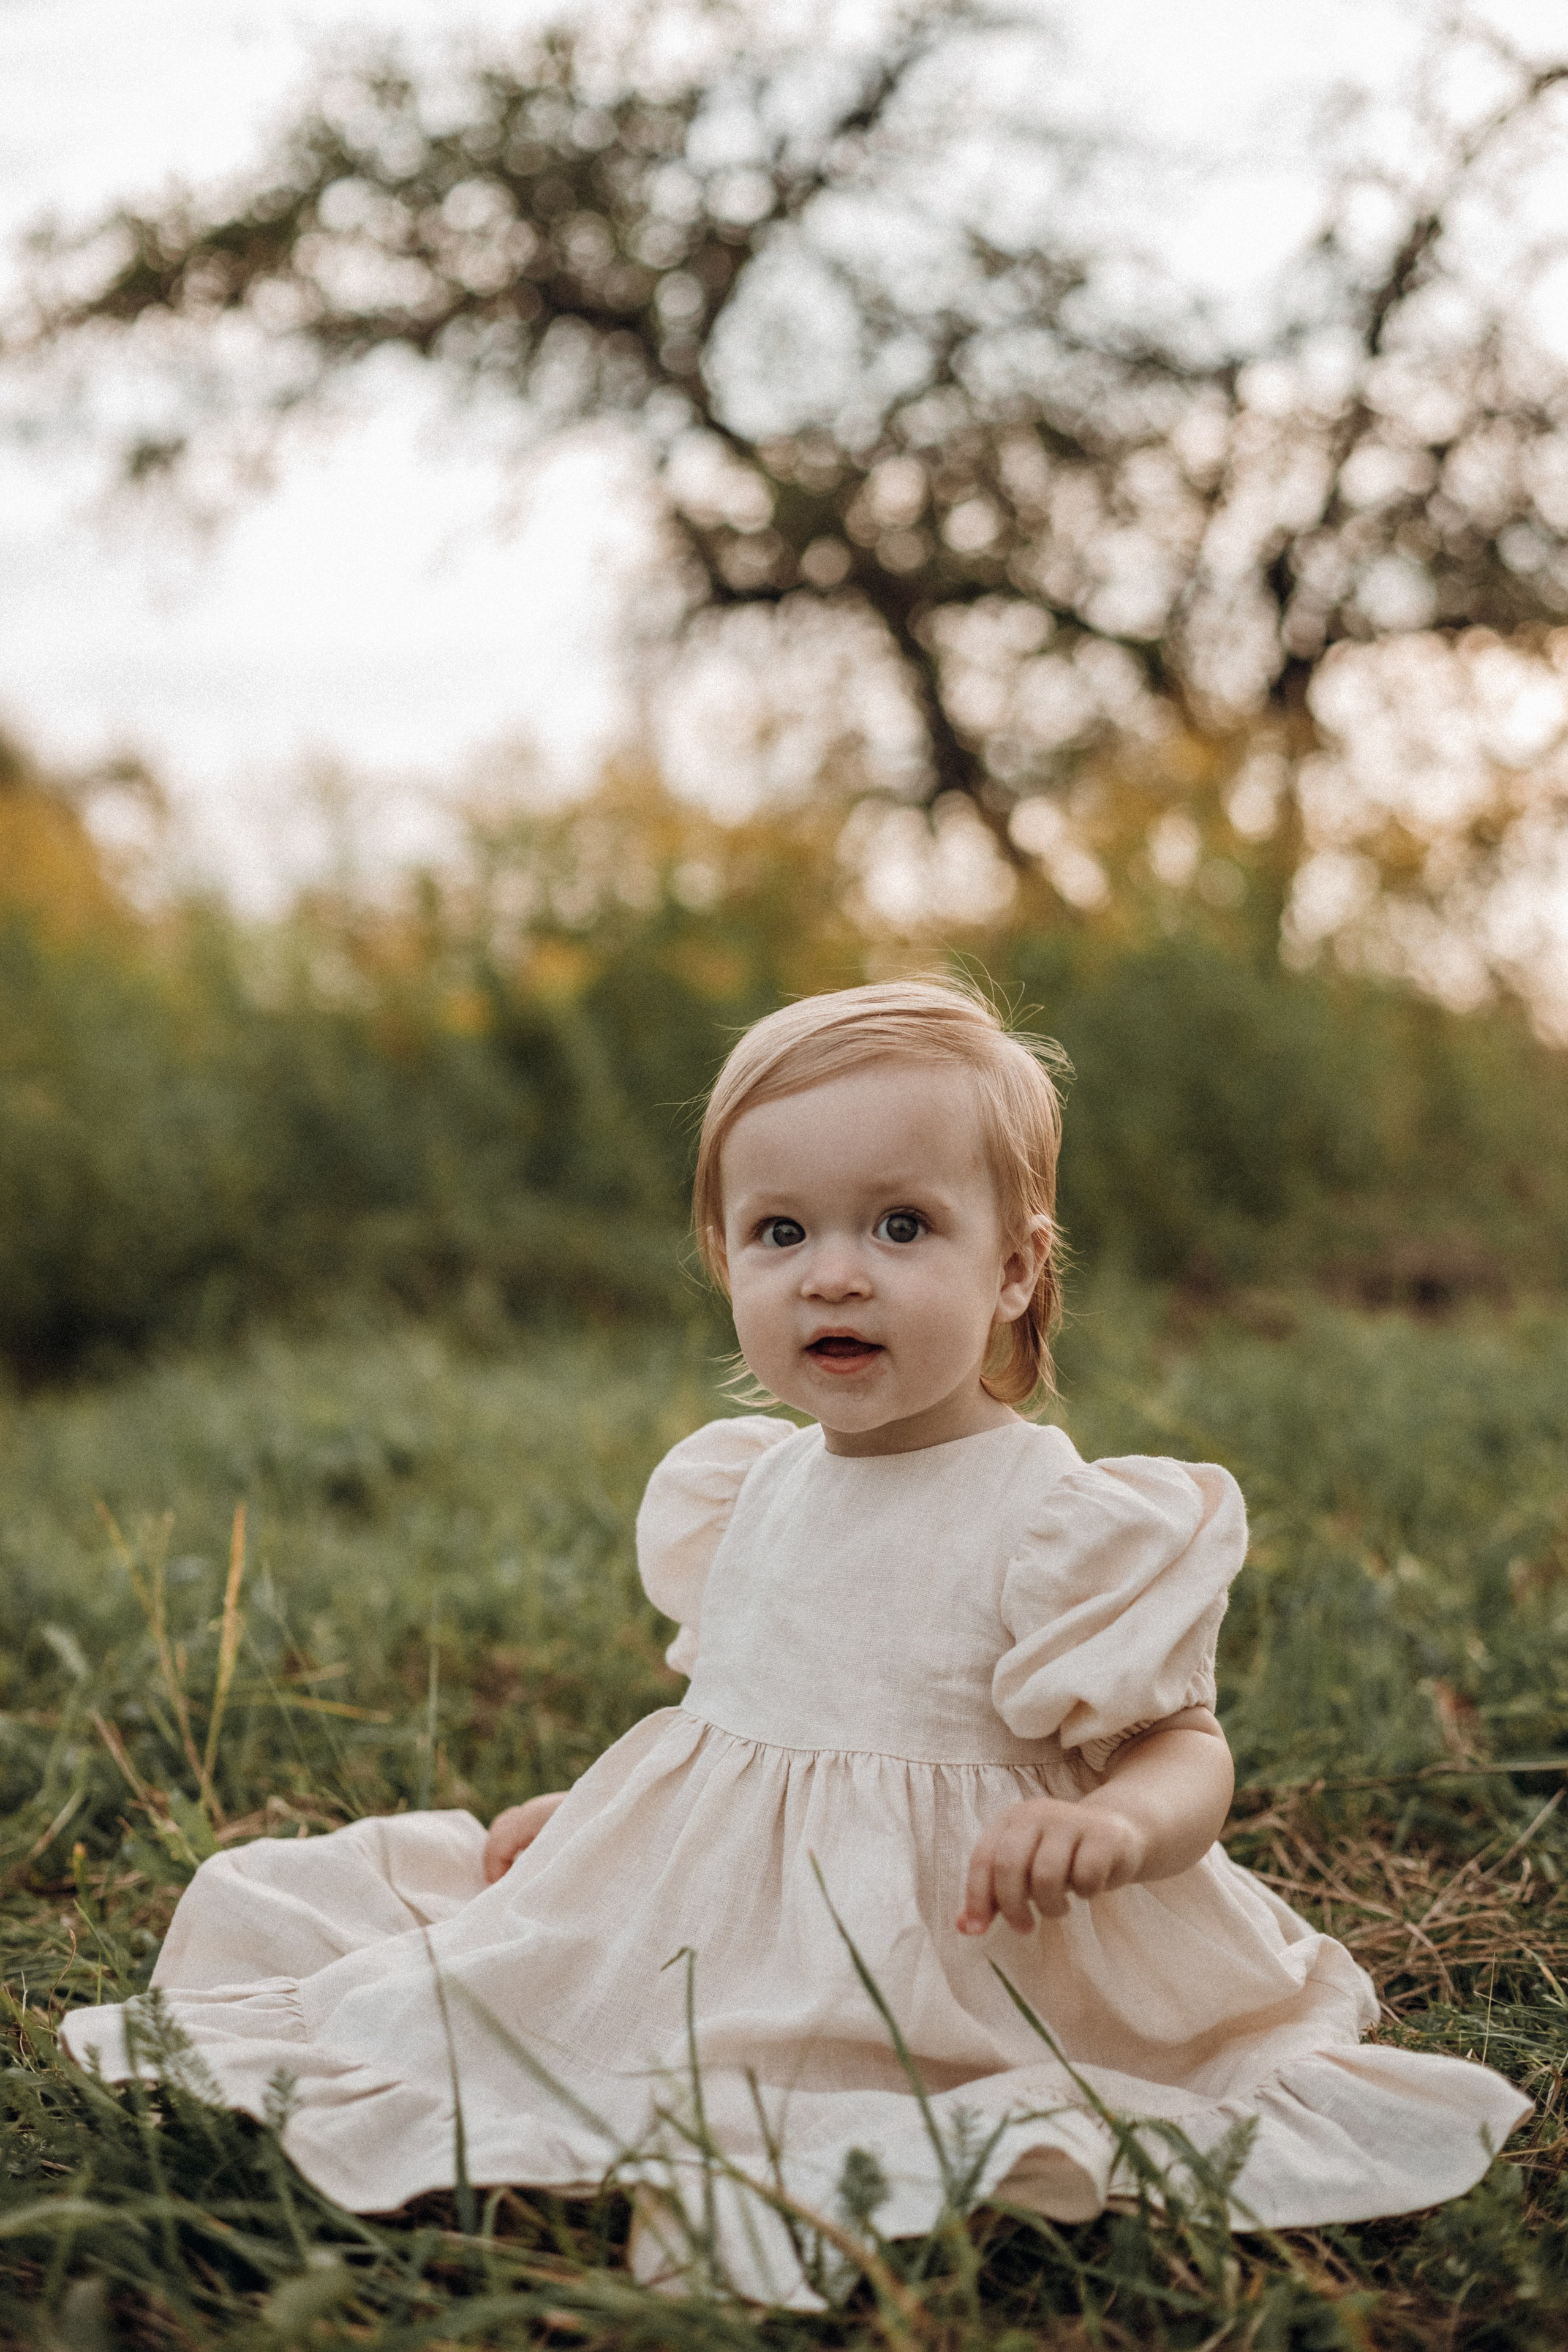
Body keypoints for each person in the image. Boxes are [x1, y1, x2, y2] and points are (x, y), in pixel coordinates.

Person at [61, 981, 1528, 2305]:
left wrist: (1122, 1829)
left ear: (1013, 1269)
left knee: (843, 2103)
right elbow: (743, 1732)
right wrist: (609, 1832)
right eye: (781, 1233)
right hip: (735, 1921)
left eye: (900, 1227)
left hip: (959, 1947)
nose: (832, 1274)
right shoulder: (745, 1485)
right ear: (724, 1258)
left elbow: (1182, 1749)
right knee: (480, 2007)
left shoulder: (1056, 1520)